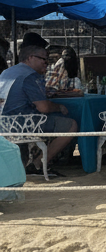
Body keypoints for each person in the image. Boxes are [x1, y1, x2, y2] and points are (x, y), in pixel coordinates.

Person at [0, 46, 78, 175]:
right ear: (31, 58)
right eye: (44, 60)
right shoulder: (30, 75)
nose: (46, 64)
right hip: (23, 122)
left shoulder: (7, 72)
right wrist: (59, 107)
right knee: (70, 125)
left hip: (4, 123)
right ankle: (39, 164)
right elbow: (44, 107)